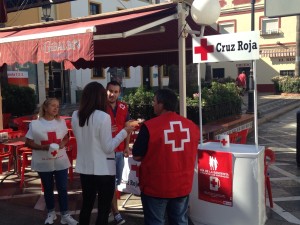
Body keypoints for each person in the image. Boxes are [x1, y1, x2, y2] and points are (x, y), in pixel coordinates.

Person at [132, 89, 200, 225]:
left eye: (154, 101)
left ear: (161, 104)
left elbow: (137, 155)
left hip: (156, 186)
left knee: (155, 222)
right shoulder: (191, 126)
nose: (153, 104)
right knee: (180, 221)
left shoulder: (150, 126)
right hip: (182, 185)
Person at [71, 82, 134, 225]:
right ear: (100, 97)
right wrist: (124, 132)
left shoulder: (75, 115)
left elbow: (87, 137)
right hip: (104, 169)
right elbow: (108, 147)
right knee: (103, 209)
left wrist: (108, 133)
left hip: (85, 167)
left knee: (86, 205)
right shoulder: (103, 117)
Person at [25, 98, 78, 225]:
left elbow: (66, 136)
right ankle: (51, 213)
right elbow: (28, 142)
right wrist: (43, 147)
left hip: (60, 161)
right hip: (44, 161)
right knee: (48, 188)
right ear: (45, 108)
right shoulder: (35, 124)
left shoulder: (61, 122)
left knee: (62, 188)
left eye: (58, 106)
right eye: (53, 106)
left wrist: (63, 143)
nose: (56, 108)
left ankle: (65, 214)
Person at [106, 80, 131, 225]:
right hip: (107, 151)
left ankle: (110, 209)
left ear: (119, 93)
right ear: (106, 91)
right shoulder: (100, 107)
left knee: (116, 182)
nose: (112, 94)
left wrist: (127, 146)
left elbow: (127, 128)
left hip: (120, 150)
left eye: (115, 92)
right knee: (110, 183)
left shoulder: (124, 107)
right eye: (110, 91)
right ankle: (115, 212)